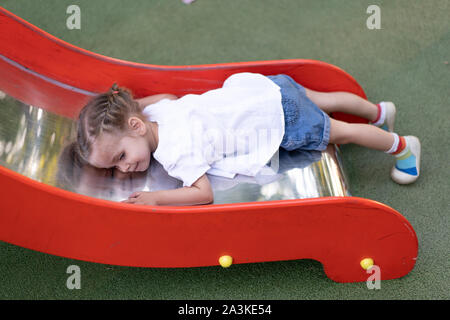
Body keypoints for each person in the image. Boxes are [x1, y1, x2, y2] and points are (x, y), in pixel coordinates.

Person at [74, 73, 421, 206]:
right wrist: (131, 109)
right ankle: (377, 111)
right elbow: (164, 96)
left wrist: (156, 199)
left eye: (120, 156)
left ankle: (403, 147)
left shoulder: (176, 152)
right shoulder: (158, 113)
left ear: (134, 126)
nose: (124, 168)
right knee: (325, 100)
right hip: (263, 88)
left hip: (279, 120)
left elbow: (203, 193)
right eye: (115, 167)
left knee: (343, 132)